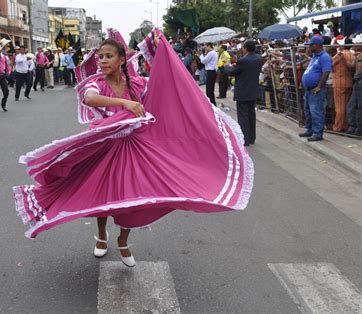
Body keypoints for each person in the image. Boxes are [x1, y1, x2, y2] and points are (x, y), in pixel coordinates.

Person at [13, 29, 253, 268]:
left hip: (133, 147)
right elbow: (91, 99)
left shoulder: (137, 84)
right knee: (101, 193)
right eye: (100, 57)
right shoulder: (96, 83)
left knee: (132, 196)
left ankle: (123, 241)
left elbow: (164, 83)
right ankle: (102, 235)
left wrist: (162, 49)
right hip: (103, 146)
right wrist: (124, 102)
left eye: (108, 56)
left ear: (121, 59)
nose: (103, 61)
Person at [224, 40, 263, 146]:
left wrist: (227, 66)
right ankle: (251, 138)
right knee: (251, 114)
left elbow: (232, 72)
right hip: (253, 90)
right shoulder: (259, 58)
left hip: (243, 91)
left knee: (243, 116)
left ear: (245, 48)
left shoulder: (243, 60)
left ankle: (244, 139)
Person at [299, 36, 332, 141]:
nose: (309, 47)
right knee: (308, 111)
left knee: (316, 111)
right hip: (309, 89)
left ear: (317, 45)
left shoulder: (324, 57)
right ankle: (310, 130)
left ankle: (317, 133)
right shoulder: (314, 56)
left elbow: (326, 72)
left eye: (311, 45)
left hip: (316, 89)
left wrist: (319, 86)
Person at [331, 39, 354, 132]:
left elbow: (330, 65)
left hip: (339, 83)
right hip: (348, 82)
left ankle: (337, 127)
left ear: (343, 45)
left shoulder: (339, 55)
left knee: (339, 107)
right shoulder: (352, 55)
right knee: (346, 106)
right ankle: (345, 125)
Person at [345, 35, 362, 136]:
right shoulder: (358, 56)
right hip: (357, 82)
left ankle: (358, 128)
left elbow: (360, 70)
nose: (353, 45)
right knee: (352, 105)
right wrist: (343, 58)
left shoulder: (359, 56)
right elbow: (351, 66)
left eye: (356, 43)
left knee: (359, 106)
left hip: (360, 82)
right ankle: (354, 126)